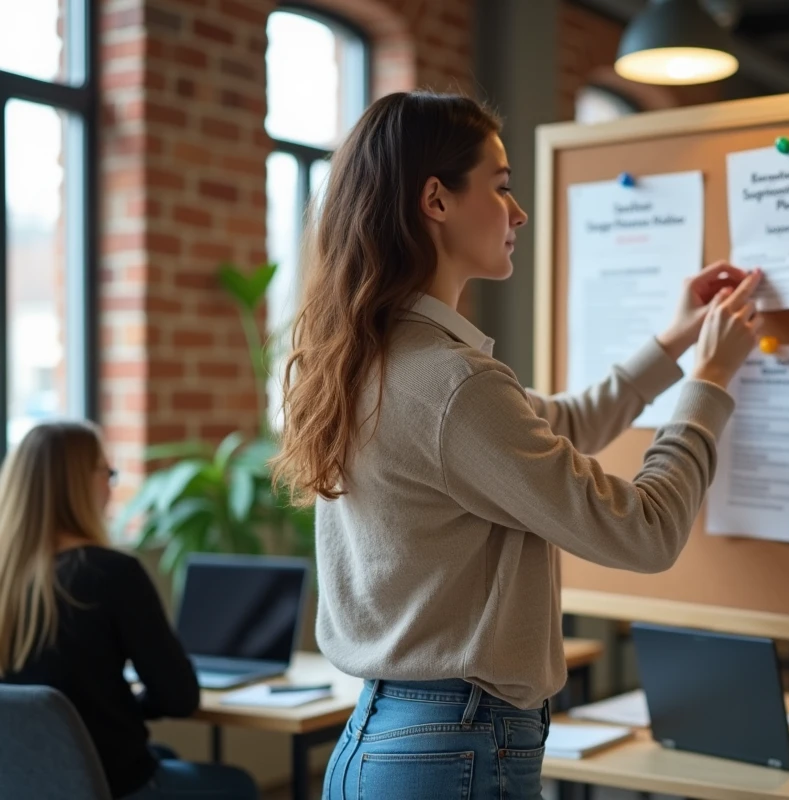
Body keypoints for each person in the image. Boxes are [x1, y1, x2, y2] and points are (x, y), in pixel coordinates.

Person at [273, 91, 762, 800]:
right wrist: (711, 380)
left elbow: (557, 426)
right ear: (436, 199)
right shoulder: (452, 384)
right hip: (456, 746)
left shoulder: (374, 359)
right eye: (501, 188)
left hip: (384, 741)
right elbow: (646, 533)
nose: (520, 212)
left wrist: (676, 341)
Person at [0, 420, 258, 799]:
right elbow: (179, 697)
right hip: (111, 785)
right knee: (237, 786)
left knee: (164, 755)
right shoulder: (110, 573)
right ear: (79, 485)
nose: (110, 485)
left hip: (25, 785)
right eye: (107, 473)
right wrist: (127, 703)